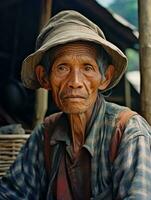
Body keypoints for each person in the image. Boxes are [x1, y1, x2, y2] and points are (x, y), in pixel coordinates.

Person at [0, 10, 151, 200]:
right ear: (44, 78)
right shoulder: (45, 134)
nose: (75, 81)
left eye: (88, 68)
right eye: (62, 68)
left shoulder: (128, 132)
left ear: (105, 78)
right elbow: (11, 193)